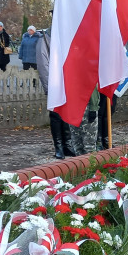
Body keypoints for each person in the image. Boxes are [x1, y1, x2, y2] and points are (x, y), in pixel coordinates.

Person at [36, 27, 79, 159]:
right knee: (56, 115)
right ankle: (59, 146)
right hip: (54, 83)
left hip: (68, 82)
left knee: (66, 113)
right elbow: (43, 65)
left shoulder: (66, 35)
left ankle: (67, 144)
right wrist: (50, 87)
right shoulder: (44, 39)